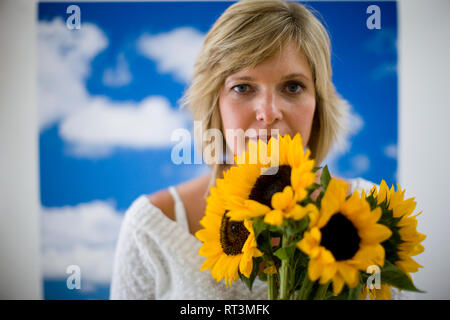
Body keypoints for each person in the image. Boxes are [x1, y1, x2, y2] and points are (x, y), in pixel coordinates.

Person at [110, 0, 410, 299]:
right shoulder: (154, 226)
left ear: (318, 103)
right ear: (215, 103)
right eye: (242, 87)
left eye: (292, 87)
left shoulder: (371, 213)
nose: (268, 112)